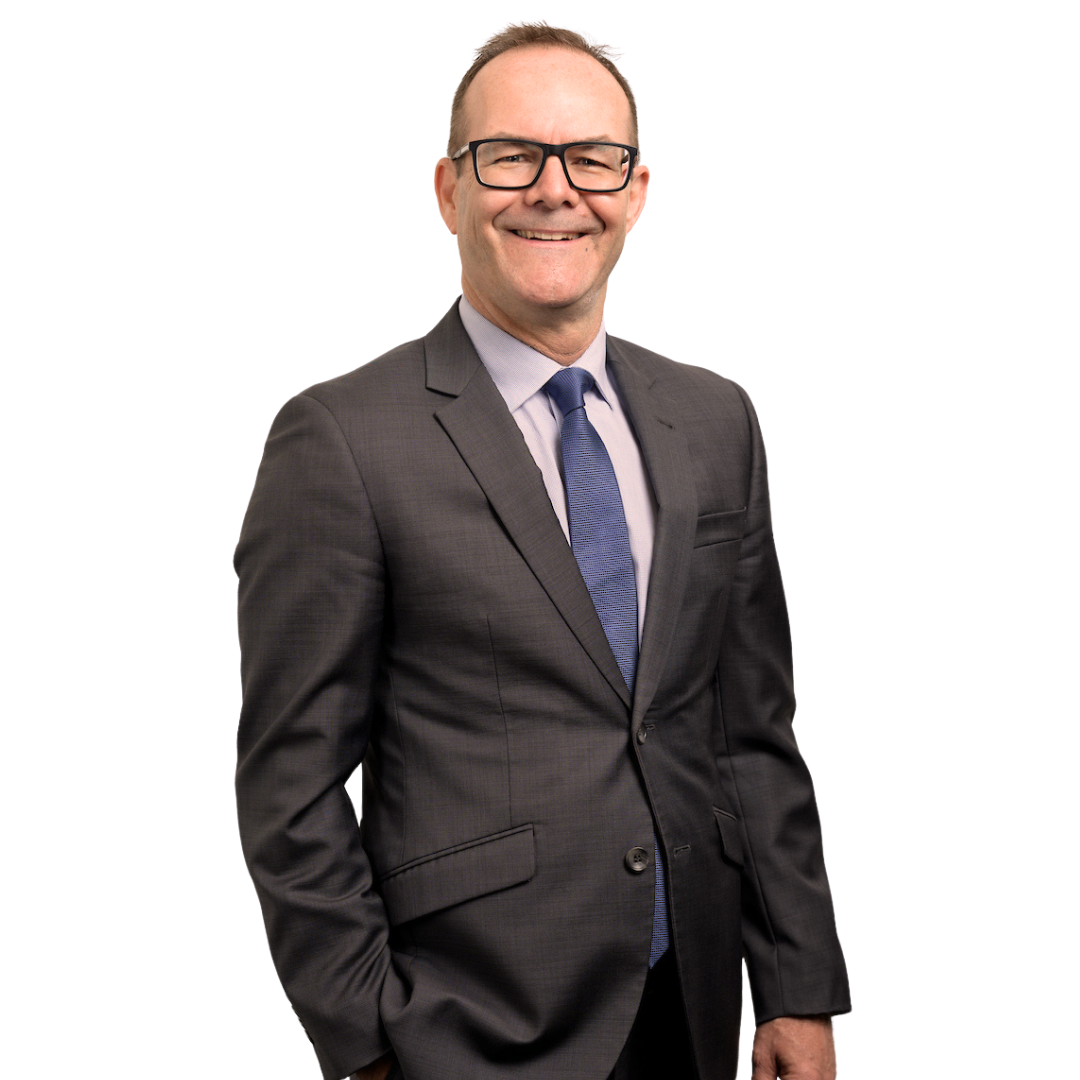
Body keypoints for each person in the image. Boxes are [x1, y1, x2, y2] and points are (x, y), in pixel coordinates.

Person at [234, 20, 850, 1080]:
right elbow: (290, 780)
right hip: (465, 1027)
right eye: (511, 155)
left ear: (637, 191)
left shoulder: (716, 417)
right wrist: (366, 1039)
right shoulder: (338, 437)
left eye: (593, 158)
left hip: (701, 1010)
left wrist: (798, 982)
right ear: (448, 191)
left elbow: (752, 734)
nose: (555, 189)